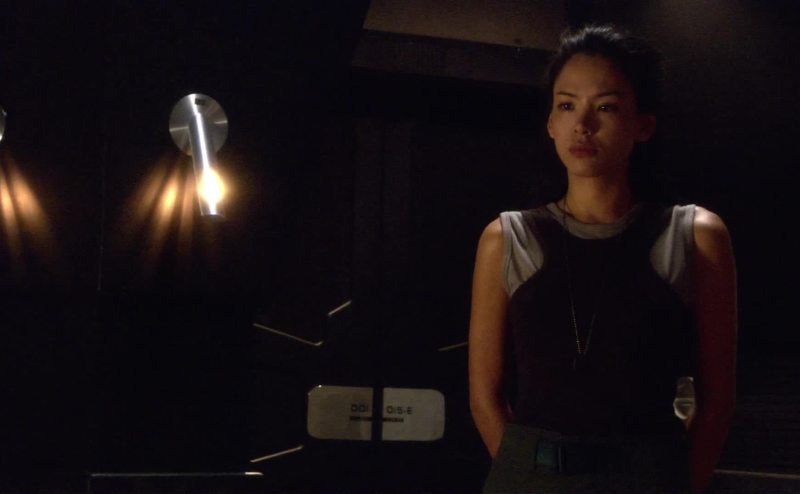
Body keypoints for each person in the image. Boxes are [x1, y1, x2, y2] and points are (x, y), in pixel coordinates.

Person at [468, 25, 736, 493]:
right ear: (551, 124)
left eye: (606, 107)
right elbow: (484, 396)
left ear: (643, 124)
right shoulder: (508, 237)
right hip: (532, 474)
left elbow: (716, 400)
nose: (583, 125)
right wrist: (522, 471)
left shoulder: (693, 234)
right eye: (567, 105)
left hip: (647, 475)